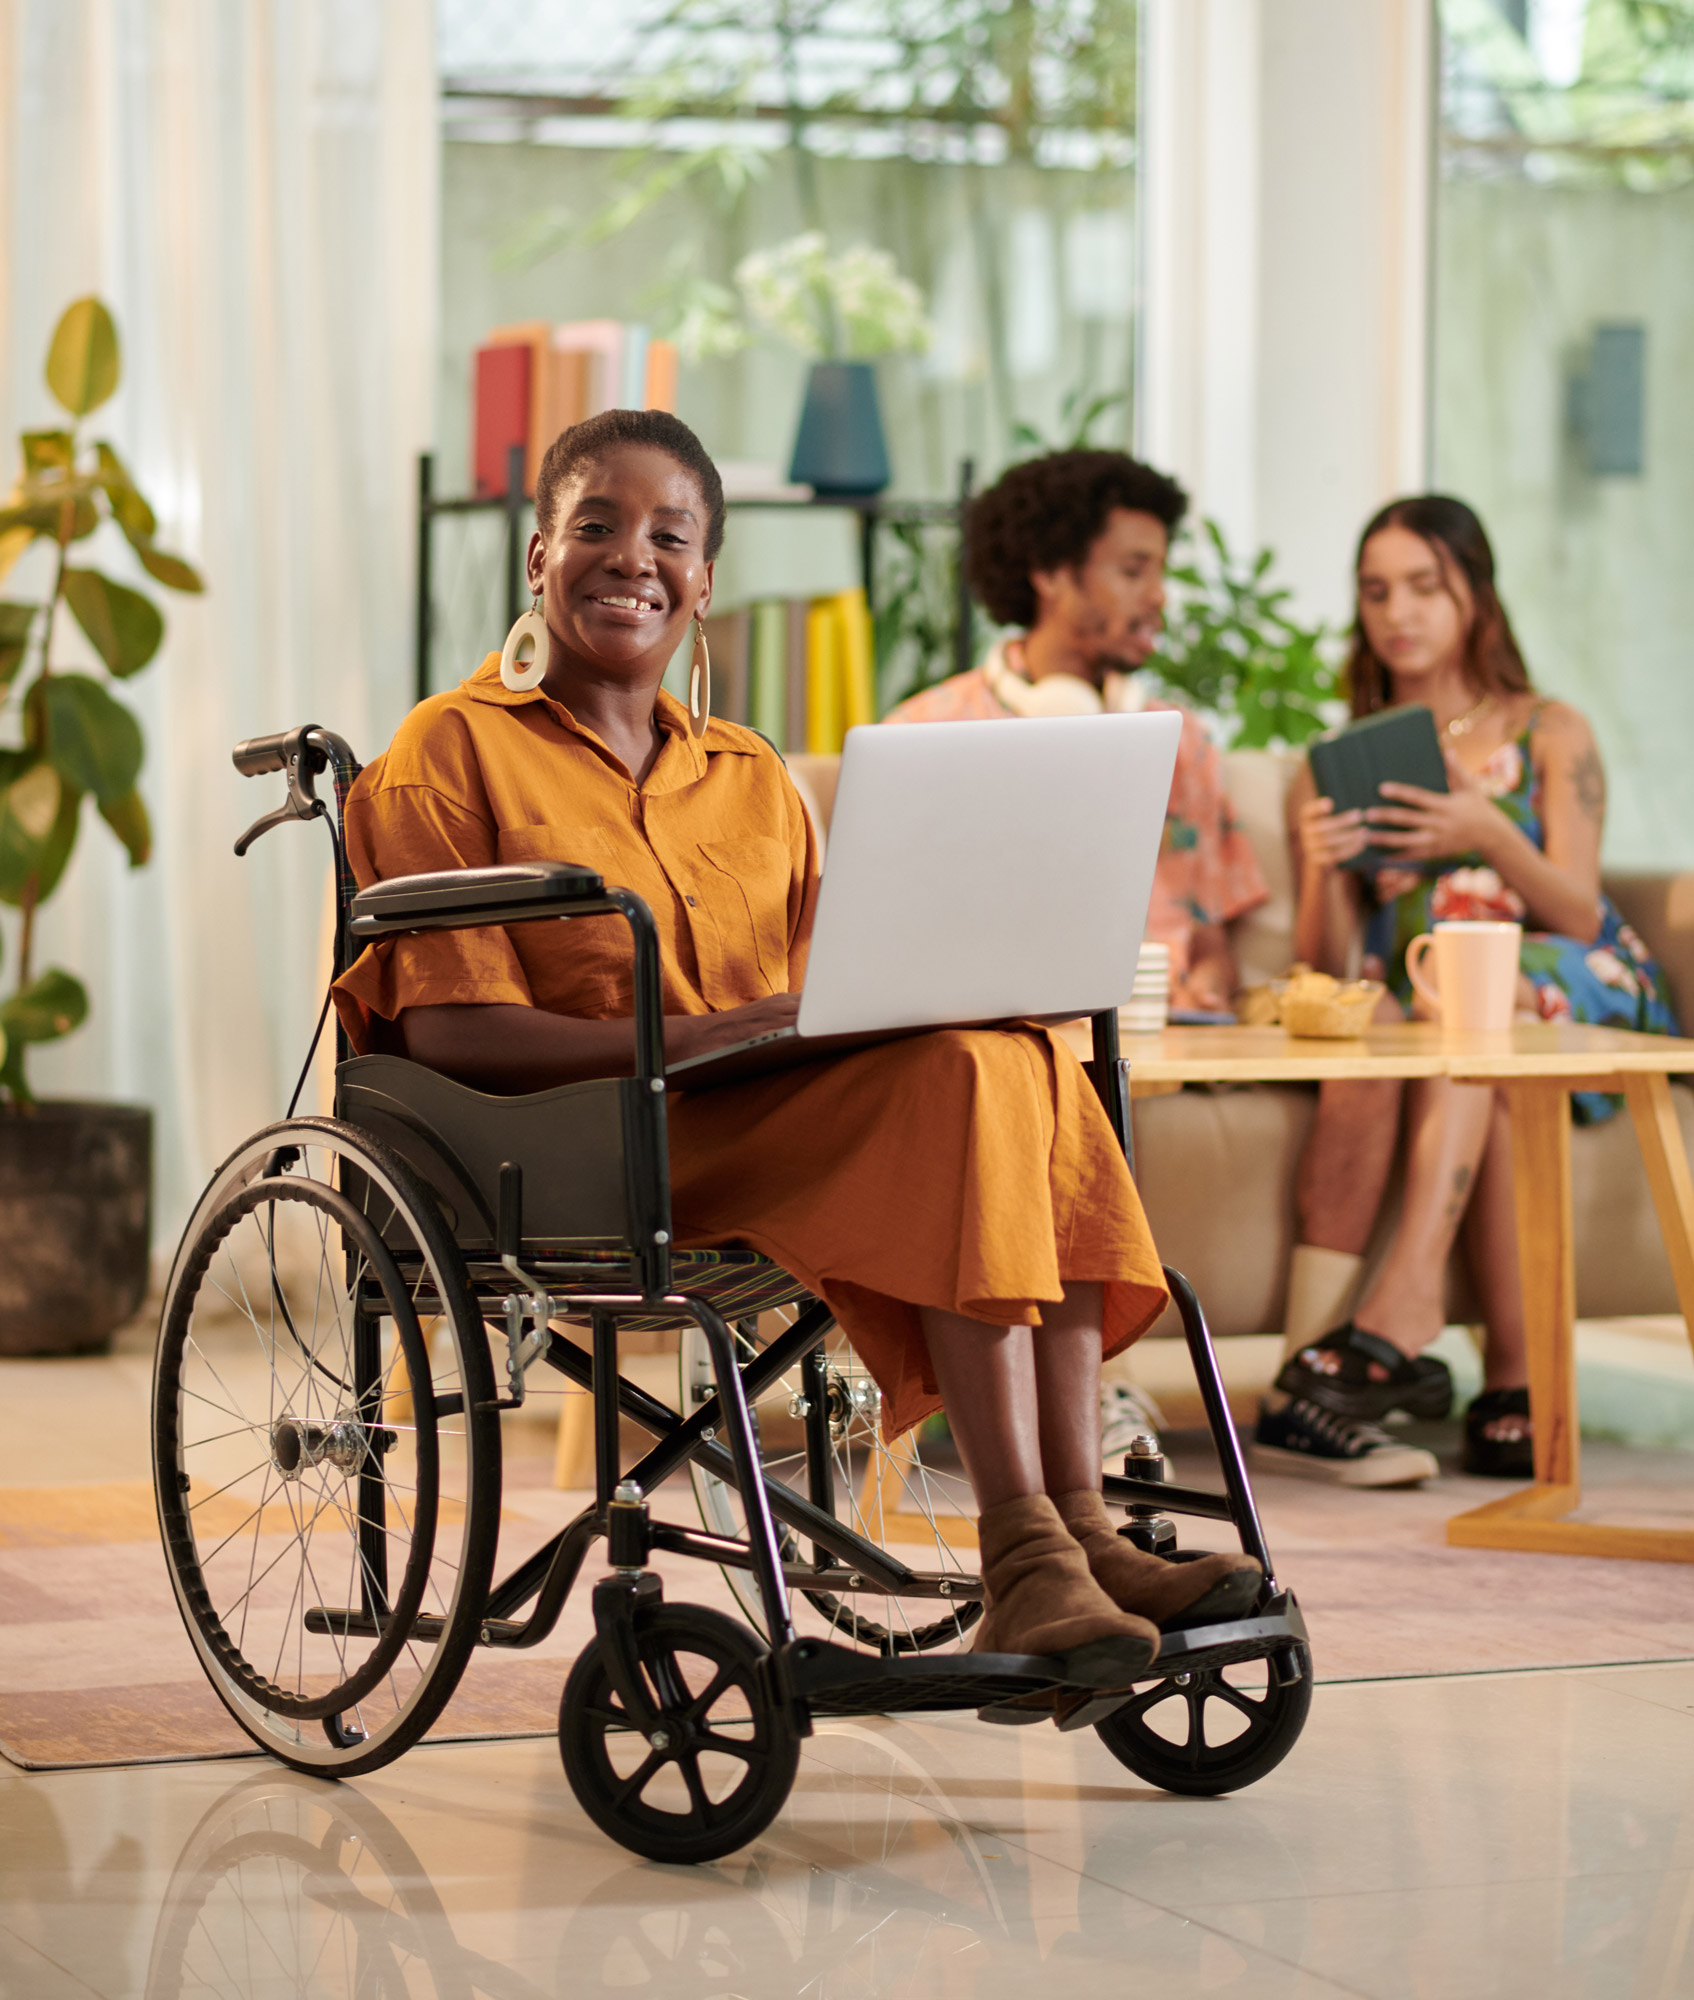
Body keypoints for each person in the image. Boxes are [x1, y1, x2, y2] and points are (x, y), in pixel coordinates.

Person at [332, 408, 1260, 1693]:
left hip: (769, 1116)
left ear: (705, 580)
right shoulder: (451, 748)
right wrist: (723, 1029)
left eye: (670, 535)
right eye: (593, 525)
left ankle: (1077, 1533)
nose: (631, 557)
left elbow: (840, 979)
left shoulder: (753, 774)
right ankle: (1019, 1545)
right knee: (962, 1075)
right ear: (536, 556)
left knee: (1020, 1048)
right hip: (588, 1145)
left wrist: (878, 997)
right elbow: (451, 1030)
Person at [1250, 495, 1680, 1488]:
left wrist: (1484, 831)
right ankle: (1514, 1389)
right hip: (1456, 1009)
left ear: (1472, 596)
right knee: (1459, 1022)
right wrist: (1320, 864)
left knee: (1467, 993)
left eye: (1422, 586)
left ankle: (1403, 1306)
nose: (1395, 612)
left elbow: (1576, 911)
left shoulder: (1546, 731)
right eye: (1373, 591)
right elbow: (1331, 964)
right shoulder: (1343, 758)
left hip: (1578, 983)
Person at [885, 449, 1269, 1461]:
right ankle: (1072, 1406)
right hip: (1011, 1034)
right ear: (1053, 574)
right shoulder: (930, 729)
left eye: (1158, 567)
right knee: (1029, 1066)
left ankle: (1080, 1404)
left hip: (1157, 1033)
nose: (1157, 594)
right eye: (1132, 567)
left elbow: (1216, 943)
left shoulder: (1174, 741)